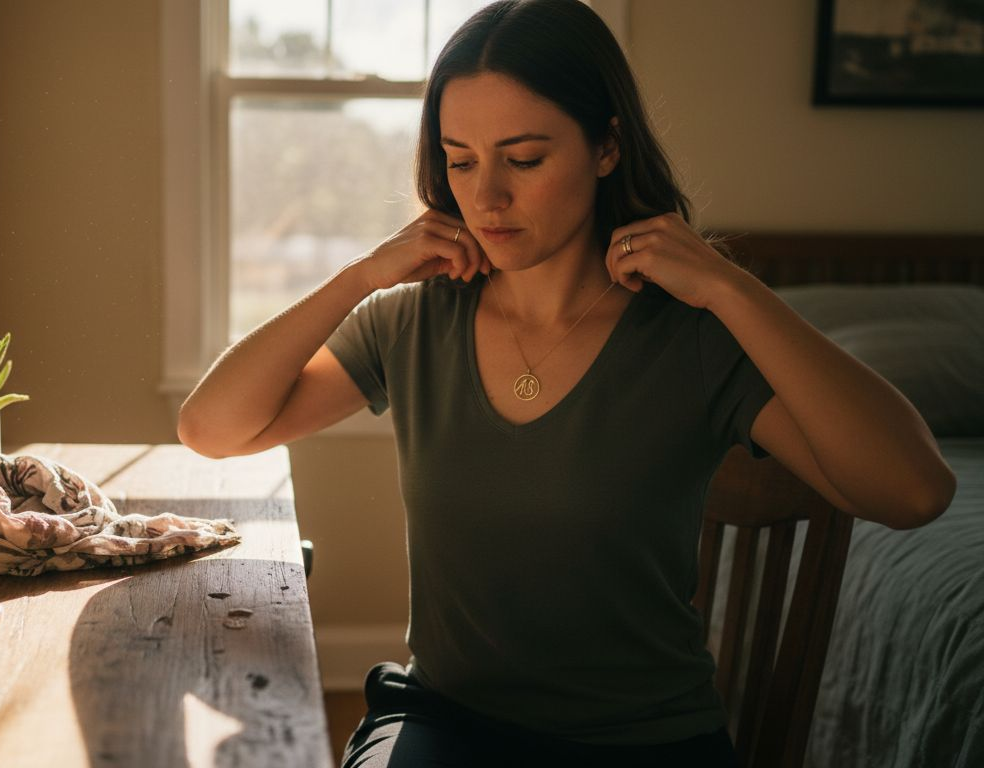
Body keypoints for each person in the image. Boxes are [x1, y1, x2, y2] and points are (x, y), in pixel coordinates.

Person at [177, 1, 957, 765]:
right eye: (460, 161)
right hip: (447, 722)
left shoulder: (692, 338)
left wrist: (729, 287)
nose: (486, 198)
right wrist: (359, 277)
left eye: (523, 160)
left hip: (645, 743)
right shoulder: (412, 323)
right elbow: (212, 428)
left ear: (607, 147)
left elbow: (914, 493)